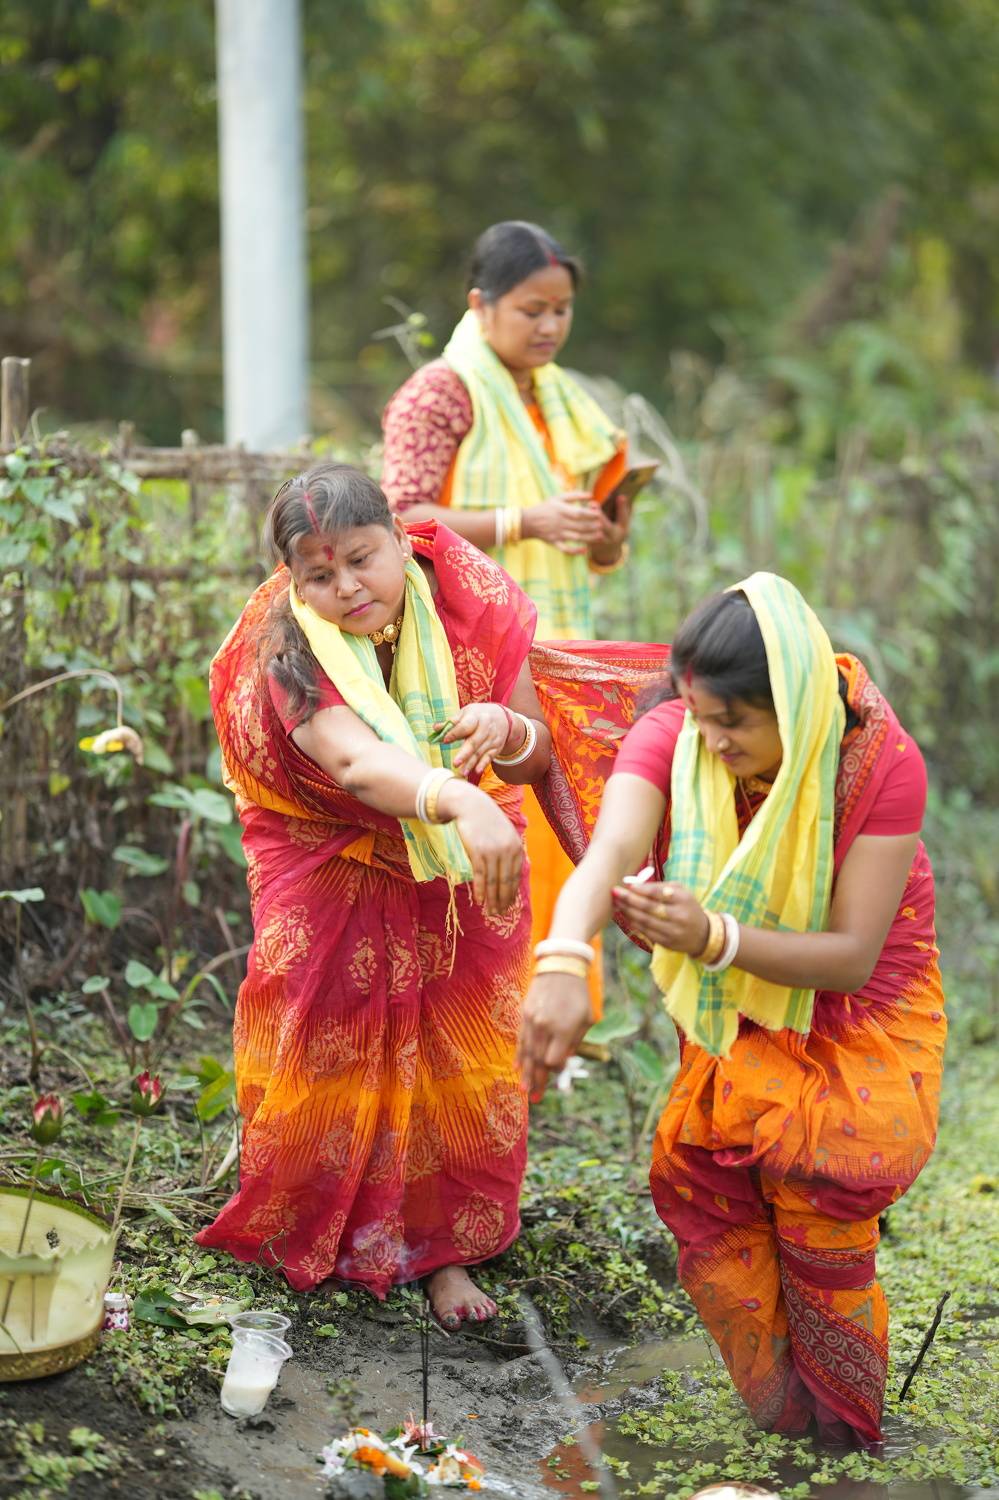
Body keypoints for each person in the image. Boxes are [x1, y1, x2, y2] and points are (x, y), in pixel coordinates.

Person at [519, 573, 945, 1449]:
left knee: (820, 1187)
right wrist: (563, 956)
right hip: (738, 1003)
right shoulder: (677, 731)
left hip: (860, 1012)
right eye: (699, 716)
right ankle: (782, 1420)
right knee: (710, 1184)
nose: (710, 741)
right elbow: (612, 850)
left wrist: (713, 936)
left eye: (735, 723)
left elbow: (850, 954)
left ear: (794, 704)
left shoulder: (879, 762)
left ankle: (843, 1433)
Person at [197, 463, 553, 1330]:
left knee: (457, 1045)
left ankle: (442, 1252)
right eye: (320, 574)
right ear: (292, 578)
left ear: (400, 539)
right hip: (326, 846)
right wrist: (458, 798)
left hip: (460, 856)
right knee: (321, 1028)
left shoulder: (472, 603)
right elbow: (354, 763)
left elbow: (536, 755)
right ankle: (315, 1222)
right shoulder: (287, 646)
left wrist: (505, 729)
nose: (348, 587)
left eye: (362, 559)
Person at [381, 219, 634, 1013]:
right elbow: (396, 517)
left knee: (566, 823)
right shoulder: (441, 392)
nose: (550, 326)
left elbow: (594, 542)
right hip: (470, 651)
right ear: (479, 305)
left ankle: (560, 1010)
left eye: (562, 310)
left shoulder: (562, 401)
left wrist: (602, 531)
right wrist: (523, 521)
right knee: (493, 825)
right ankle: (493, 1017)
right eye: (532, 310)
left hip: (556, 645)